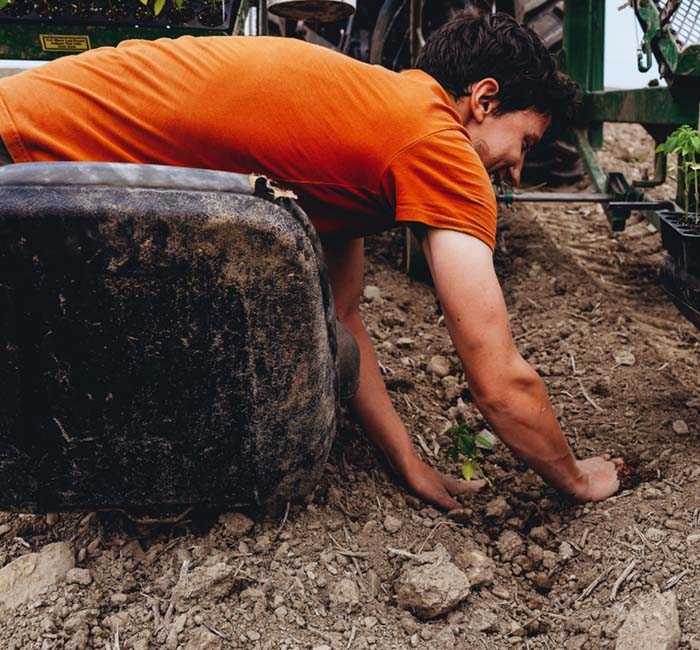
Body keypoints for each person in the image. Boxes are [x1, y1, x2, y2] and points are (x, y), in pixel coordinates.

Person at [0, 11, 621, 509]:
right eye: (525, 143)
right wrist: (575, 479)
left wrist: (407, 460)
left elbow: (344, 316)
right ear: (484, 100)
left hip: (26, 139)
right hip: (23, 161)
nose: (516, 168)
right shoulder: (438, 143)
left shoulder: (373, 122)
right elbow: (500, 382)